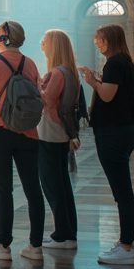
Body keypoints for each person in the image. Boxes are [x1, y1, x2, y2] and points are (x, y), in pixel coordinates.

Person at [0, 20, 45, 262]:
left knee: (4, 191)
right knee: (33, 190)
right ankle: (35, 246)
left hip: (0, 132)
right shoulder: (31, 64)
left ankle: (4, 245)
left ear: (4, 38)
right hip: (29, 132)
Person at [78, 23, 134, 266]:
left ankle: (126, 247)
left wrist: (92, 82)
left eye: (102, 40)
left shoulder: (114, 63)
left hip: (113, 132)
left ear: (112, 40)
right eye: (96, 40)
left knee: (122, 192)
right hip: (123, 129)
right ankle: (125, 244)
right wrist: (97, 80)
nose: (98, 44)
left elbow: (106, 95)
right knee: (122, 191)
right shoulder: (126, 63)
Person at [38, 29, 81, 250]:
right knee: (63, 184)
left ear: (54, 45)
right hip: (60, 132)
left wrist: (33, 83)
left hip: (49, 131)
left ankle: (62, 235)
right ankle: (69, 233)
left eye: (45, 41)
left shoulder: (57, 72)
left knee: (52, 186)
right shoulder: (69, 72)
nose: (41, 44)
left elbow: (46, 100)